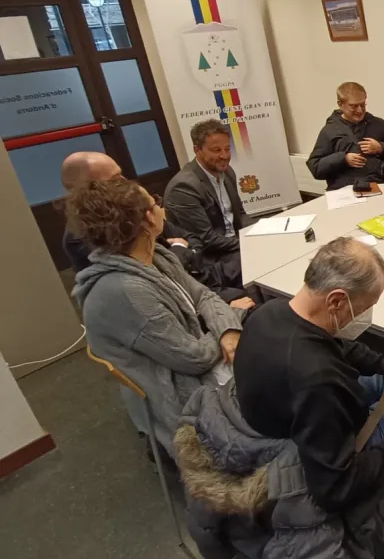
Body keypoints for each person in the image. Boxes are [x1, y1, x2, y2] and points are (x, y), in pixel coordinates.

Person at [233, 237, 384, 527]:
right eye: (363, 308)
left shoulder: (271, 312)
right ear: (336, 300)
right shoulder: (315, 380)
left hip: (301, 409)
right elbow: (334, 489)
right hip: (311, 441)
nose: (363, 316)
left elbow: (337, 345)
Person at [68, 177, 245, 457]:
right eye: (156, 201)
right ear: (148, 219)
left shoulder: (157, 256)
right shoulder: (125, 291)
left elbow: (205, 296)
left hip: (199, 361)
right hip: (187, 399)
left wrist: (227, 331)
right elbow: (193, 358)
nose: (162, 207)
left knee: (277, 334)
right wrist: (232, 317)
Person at [60, 151, 249, 303]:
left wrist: (186, 253)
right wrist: (180, 251)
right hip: (184, 293)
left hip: (199, 271)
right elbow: (150, 277)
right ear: (89, 188)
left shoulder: (133, 207)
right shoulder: (86, 234)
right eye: (115, 178)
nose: (126, 181)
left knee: (255, 260)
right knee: (263, 304)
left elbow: (189, 238)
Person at [164, 120, 253, 289]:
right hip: (211, 257)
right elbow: (207, 240)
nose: (225, 156)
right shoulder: (184, 188)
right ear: (197, 150)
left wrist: (258, 231)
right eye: (216, 150)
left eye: (227, 149)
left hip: (232, 244)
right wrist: (249, 241)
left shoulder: (227, 172)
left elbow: (240, 214)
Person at [307, 81, 384, 191]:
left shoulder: (378, 125)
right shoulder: (330, 131)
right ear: (340, 104)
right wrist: (343, 158)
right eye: (353, 106)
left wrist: (381, 148)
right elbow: (315, 167)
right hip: (345, 193)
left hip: (380, 188)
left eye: (362, 104)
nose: (360, 110)